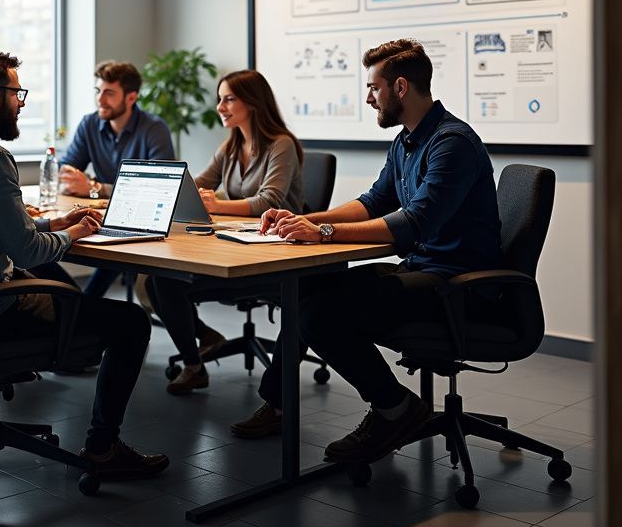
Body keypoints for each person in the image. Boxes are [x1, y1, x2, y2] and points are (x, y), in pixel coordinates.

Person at [231, 39, 503, 466]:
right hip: (422, 271)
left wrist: (321, 232)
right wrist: (299, 219)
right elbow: (374, 201)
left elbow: (414, 224)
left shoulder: (453, 143)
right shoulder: (407, 142)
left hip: (456, 285)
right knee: (305, 284)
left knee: (320, 316)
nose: (367, 96)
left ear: (399, 87)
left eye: (373, 88)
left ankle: (395, 408)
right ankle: (279, 403)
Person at [0, 50, 170, 479]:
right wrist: (73, 235)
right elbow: (27, 253)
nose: (22, 102)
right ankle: (102, 448)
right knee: (132, 323)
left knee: (67, 285)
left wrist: (54, 221)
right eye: (17, 93)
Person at [146, 70, 305, 396]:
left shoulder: (282, 145)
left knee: (164, 281)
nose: (220, 106)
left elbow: (268, 201)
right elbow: (196, 185)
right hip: (235, 246)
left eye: (229, 98)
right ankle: (194, 366)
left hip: (274, 256)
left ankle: (267, 391)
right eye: (220, 98)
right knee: (157, 279)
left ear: (254, 102)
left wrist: (216, 204)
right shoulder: (231, 146)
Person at [58, 60, 174, 298]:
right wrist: (85, 185)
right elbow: (65, 171)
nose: (100, 100)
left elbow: (161, 188)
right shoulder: (89, 124)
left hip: (143, 220)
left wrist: (93, 187)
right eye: (98, 91)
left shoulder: (154, 129)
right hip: (104, 216)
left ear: (131, 97)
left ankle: (82, 309)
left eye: (109, 93)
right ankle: (81, 309)